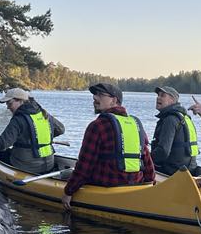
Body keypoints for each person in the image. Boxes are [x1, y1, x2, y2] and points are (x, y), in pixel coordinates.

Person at [61, 83, 155, 211]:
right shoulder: (136, 124)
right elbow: (147, 160)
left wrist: (68, 192)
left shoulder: (97, 125)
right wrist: (149, 185)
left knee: (66, 176)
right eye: (94, 94)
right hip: (134, 185)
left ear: (114, 100)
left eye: (100, 94)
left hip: (106, 186)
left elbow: (84, 166)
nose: (94, 98)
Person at [151, 86, 201, 176]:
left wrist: (147, 159)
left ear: (172, 100)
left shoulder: (170, 119)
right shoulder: (184, 117)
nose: (158, 97)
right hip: (189, 169)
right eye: (158, 95)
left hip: (173, 171)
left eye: (162, 95)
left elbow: (163, 151)